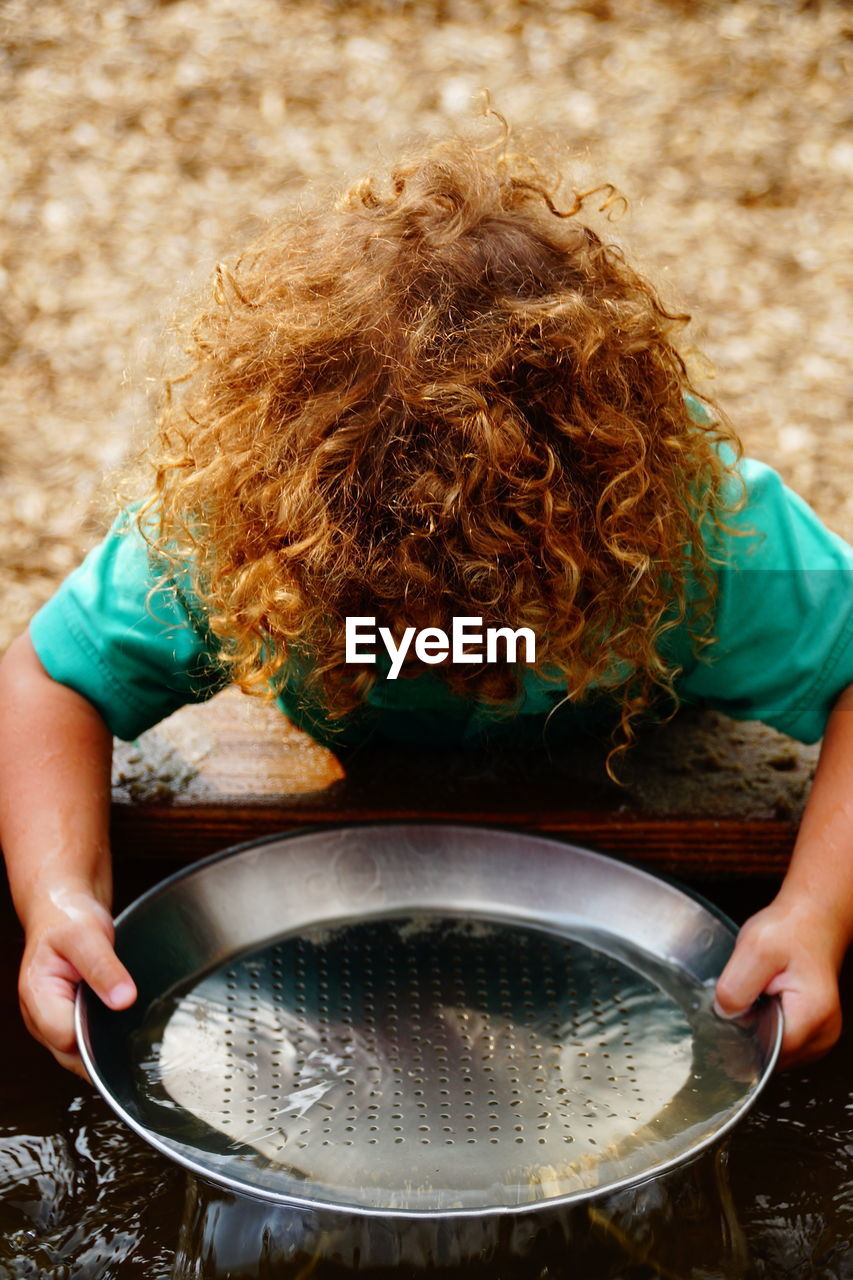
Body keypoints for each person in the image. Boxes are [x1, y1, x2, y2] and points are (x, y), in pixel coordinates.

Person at [0, 131, 850, 1080]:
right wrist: (60, 899)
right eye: (399, 613)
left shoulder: (699, 544)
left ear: (605, 540)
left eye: (491, 611)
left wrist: (813, 908)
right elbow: (47, 675)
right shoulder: (233, 534)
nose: (449, 651)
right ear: (288, 538)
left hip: (615, 758)